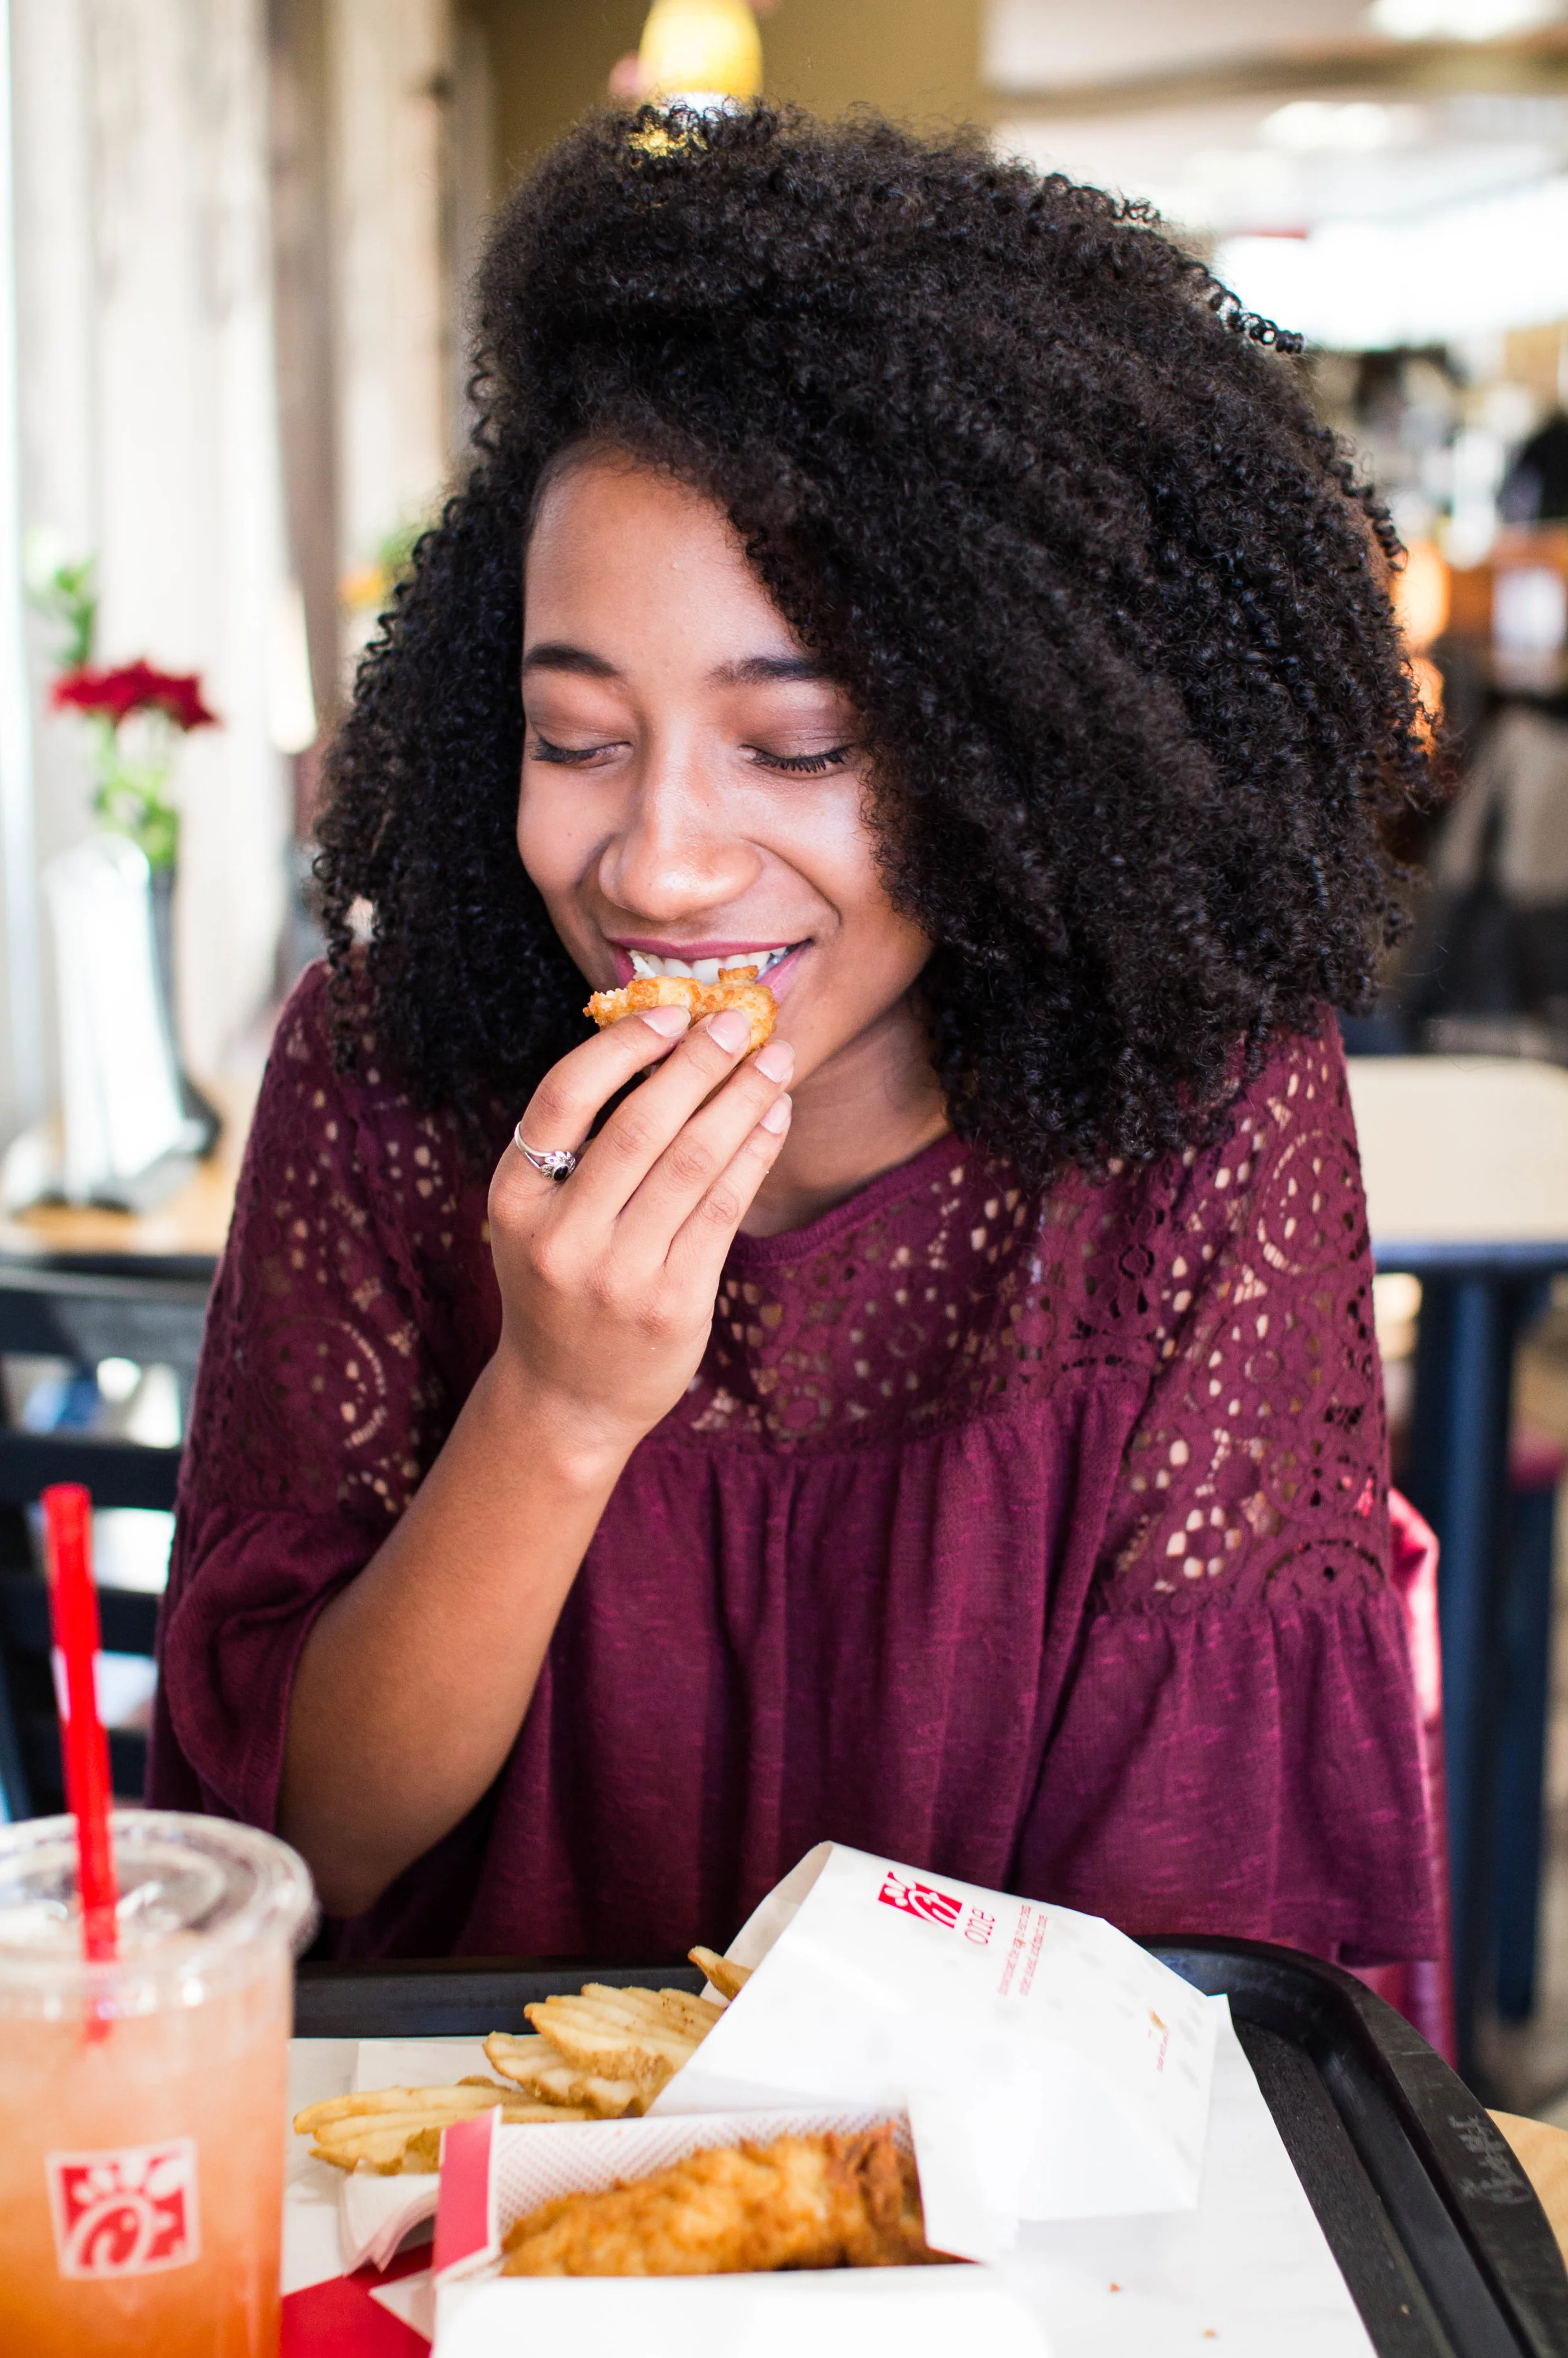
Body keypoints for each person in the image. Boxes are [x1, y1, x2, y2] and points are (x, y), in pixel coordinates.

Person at [150, 105, 1439, 1971]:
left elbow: (1210, 1927)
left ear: (1013, 749)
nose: (657, 865)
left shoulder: (1196, 1107)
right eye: (578, 739)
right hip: (450, 2135)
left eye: (799, 746)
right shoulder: (384, 1068)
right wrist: (555, 1408)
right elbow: (300, 1853)